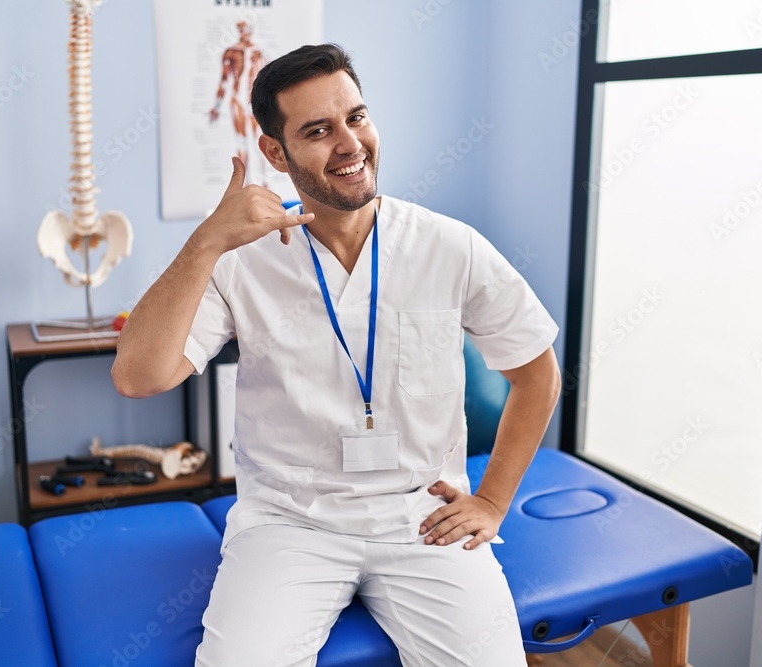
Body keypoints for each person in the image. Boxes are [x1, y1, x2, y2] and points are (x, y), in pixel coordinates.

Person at [112, 43, 561, 666]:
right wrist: (206, 241)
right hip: (290, 523)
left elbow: (536, 372)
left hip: (423, 516)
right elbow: (138, 377)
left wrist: (490, 501)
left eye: (356, 117)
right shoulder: (241, 261)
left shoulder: (448, 246)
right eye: (318, 130)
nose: (350, 143)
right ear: (276, 152)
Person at [209, 21, 267, 184]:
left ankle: (265, 183)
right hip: (238, 99)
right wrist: (216, 106)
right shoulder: (231, 52)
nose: (245, 32)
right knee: (242, 142)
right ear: (238, 31)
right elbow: (224, 80)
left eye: (248, 29)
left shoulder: (259, 52)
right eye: (242, 30)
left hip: (255, 100)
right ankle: (244, 184)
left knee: (260, 141)